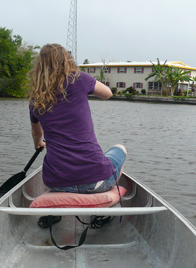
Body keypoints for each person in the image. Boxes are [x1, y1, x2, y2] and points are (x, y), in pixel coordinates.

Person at [28, 43, 127, 228]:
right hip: (96, 180)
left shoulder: (35, 98)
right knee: (120, 150)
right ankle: (100, 211)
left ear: (40, 67)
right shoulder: (78, 79)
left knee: (54, 163)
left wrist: (39, 143)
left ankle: (55, 212)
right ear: (66, 61)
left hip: (57, 183)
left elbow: (36, 132)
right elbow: (108, 94)